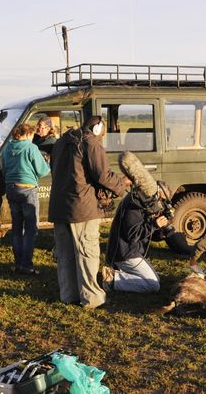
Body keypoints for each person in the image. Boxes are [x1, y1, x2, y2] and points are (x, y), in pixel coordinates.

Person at [49, 115, 128, 308]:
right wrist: (122, 185)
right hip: (82, 208)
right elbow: (102, 174)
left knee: (65, 253)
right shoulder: (90, 143)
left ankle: (69, 295)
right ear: (97, 129)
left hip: (59, 206)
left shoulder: (61, 142)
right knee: (87, 252)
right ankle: (91, 298)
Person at [102, 181, 174, 293]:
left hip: (132, 251)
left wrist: (162, 232)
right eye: (162, 199)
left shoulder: (144, 203)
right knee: (153, 285)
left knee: (156, 279)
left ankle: (118, 272)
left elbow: (146, 234)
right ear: (156, 193)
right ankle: (112, 279)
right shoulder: (134, 203)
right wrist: (154, 225)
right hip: (124, 254)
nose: (161, 204)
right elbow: (133, 234)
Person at [0, 123, 50, 275]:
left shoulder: (7, 148)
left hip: (11, 188)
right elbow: (43, 170)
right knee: (30, 229)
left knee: (17, 228)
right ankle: (27, 265)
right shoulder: (30, 148)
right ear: (28, 134)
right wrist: (47, 162)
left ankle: (18, 264)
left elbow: (4, 170)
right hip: (27, 189)